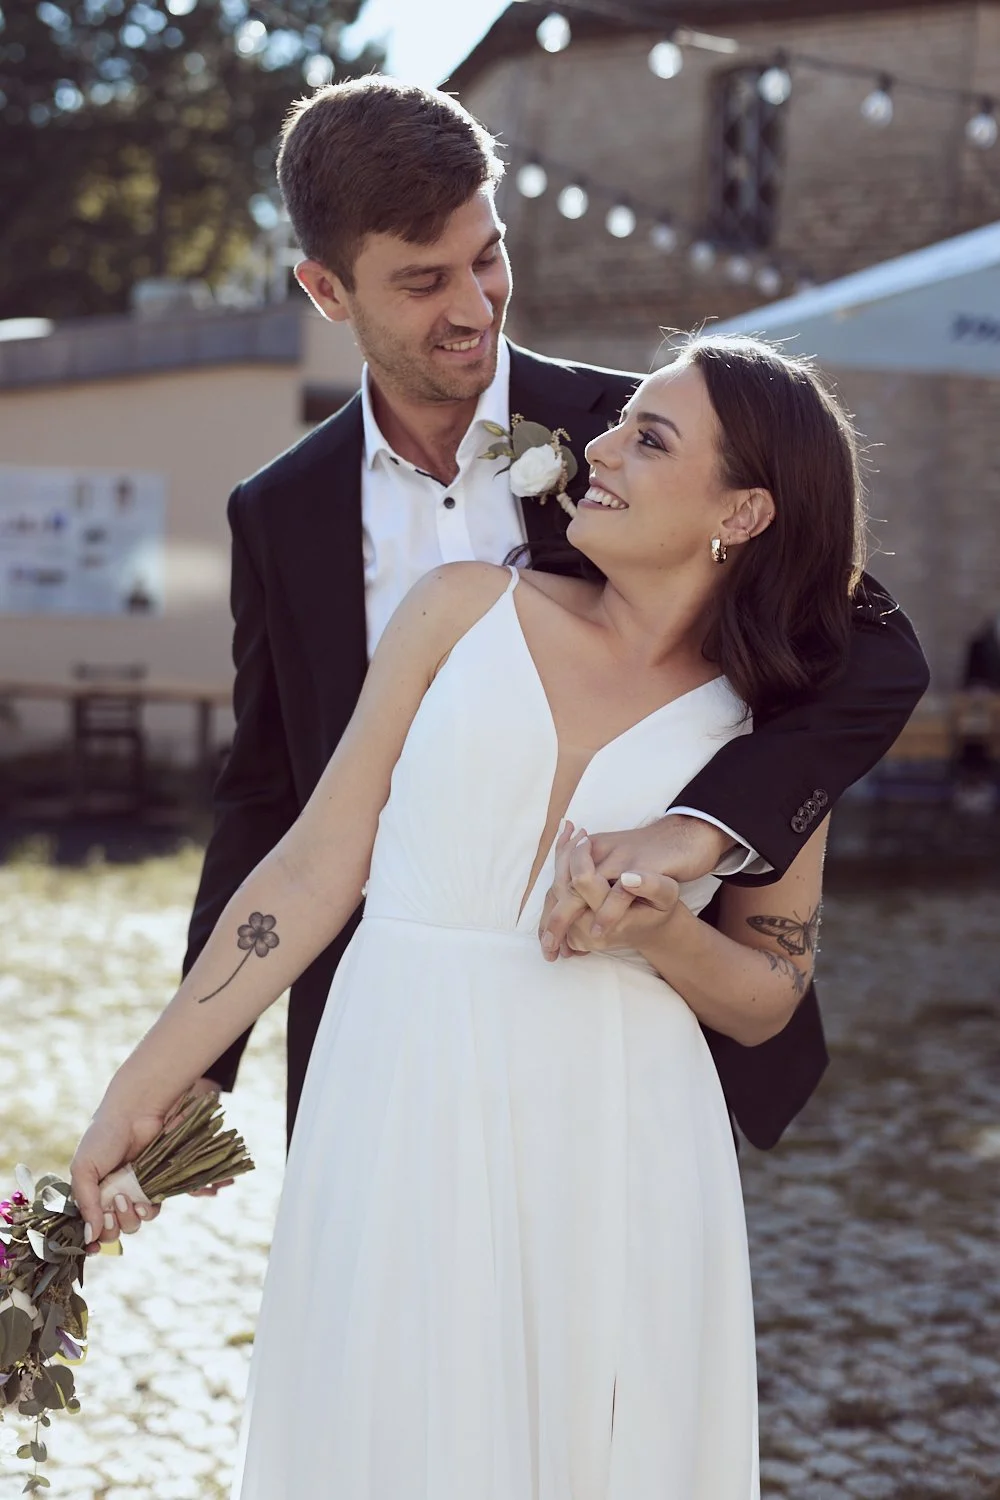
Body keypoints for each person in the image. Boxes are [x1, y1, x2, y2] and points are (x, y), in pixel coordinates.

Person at [74, 331, 900, 1497]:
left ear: (744, 511)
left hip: (619, 1132)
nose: (598, 447)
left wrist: (662, 931)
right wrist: (146, 1080)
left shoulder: (777, 727)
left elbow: (770, 996)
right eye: (619, 424)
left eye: (649, 438)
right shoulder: (462, 609)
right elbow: (311, 869)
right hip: (397, 1087)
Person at [170, 77, 927, 1166]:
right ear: (326, 291)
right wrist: (196, 1066)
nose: (474, 307)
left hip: (619, 1032)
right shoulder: (278, 512)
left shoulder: (635, 436)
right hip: (379, 1020)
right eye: (423, 281)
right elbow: (267, 791)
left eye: (487, 257)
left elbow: (874, 650)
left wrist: (703, 829)